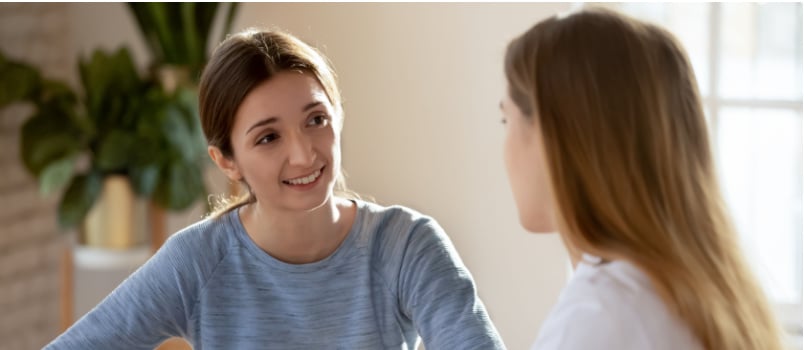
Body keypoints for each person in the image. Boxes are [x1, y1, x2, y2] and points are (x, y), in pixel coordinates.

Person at [46, 28, 504, 349]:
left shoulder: (407, 246)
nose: (304, 154)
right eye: (268, 137)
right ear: (227, 160)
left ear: (337, 117)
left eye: (316, 120)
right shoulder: (199, 262)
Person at [499, 8, 783, 350]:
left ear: (554, 138)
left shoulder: (600, 318)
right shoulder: (708, 293)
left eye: (506, 121)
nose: (504, 147)